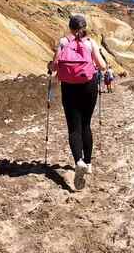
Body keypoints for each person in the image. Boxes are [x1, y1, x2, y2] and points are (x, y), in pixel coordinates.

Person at [48, 15, 106, 190]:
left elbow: (55, 66)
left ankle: (78, 161)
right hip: (88, 86)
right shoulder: (91, 43)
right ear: (84, 27)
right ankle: (88, 163)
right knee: (86, 125)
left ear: (70, 27)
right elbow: (102, 66)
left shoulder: (64, 42)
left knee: (74, 127)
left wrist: (50, 66)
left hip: (69, 88)